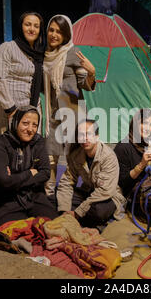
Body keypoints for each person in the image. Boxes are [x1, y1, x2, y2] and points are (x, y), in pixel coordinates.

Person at [42, 14, 97, 195]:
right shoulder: (45, 55)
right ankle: (49, 192)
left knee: (77, 156)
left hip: (74, 113)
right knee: (51, 155)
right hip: (53, 112)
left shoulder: (73, 53)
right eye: (51, 30)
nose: (54, 35)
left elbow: (85, 84)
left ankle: (88, 188)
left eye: (59, 31)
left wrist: (91, 72)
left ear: (66, 35)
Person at [0, 106, 59, 231]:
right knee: (13, 232)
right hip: (7, 201)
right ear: (15, 122)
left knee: (54, 226)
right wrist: (30, 172)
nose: (30, 129)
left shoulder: (38, 141)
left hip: (33, 196)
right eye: (25, 123)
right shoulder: (1, 144)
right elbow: (4, 181)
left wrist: (14, 178)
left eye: (35, 125)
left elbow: (45, 173)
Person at [50, 119, 126, 229]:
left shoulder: (108, 157)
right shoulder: (76, 156)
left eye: (89, 134)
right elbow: (66, 181)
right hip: (87, 191)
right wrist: (64, 210)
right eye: (81, 135)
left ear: (96, 136)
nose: (85, 138)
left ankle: (81, 219)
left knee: (98, 211)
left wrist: (77, 212)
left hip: (107, 196)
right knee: (54, 199)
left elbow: (105, 191)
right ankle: (74, 217)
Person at [0, 11, 46, 134]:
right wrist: (11, 109)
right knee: (11, 148)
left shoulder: (39, 53)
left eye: (36, 26)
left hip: (33, 110)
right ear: (21, 26)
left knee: (32, 149)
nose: (32, 29)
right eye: (28, 24)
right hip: (12, 109)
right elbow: (0, 78)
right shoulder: (8, 48)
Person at [114, 108, 151, 224]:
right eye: (144, 123)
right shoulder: (123, 147)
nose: (148, 128)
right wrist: (142, 164)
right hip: (135, 194)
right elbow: (122, 181)